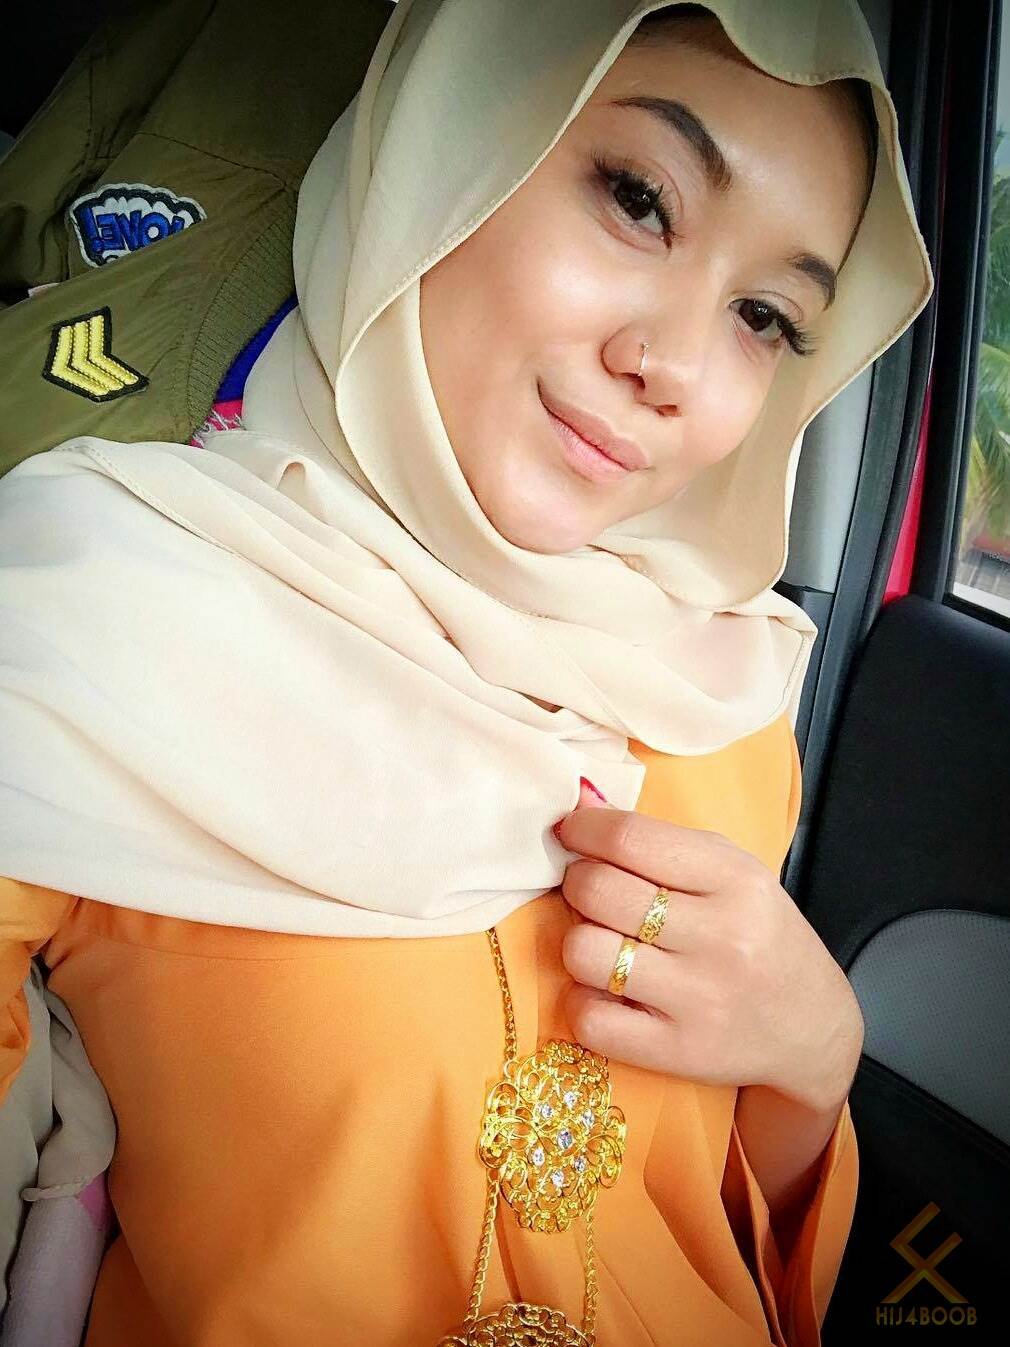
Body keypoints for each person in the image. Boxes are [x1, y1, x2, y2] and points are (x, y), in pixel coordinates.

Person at [0, 1, 932, 1344]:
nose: (672, 366)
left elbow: (730, 1253)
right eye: (637, 200)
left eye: (763, 316)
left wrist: (813, 1061)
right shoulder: (91, 611)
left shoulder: (721, 699)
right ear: (435, 153)